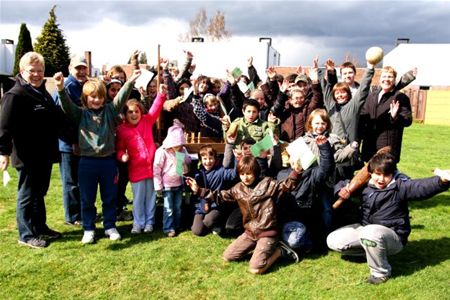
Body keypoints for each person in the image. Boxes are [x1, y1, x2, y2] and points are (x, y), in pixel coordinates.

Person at [326, 152, 450, 284]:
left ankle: (381, 273)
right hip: (368, 230)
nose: (381, 179)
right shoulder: (365, 184)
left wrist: (441, 181)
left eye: (386, 175)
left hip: (393, 237)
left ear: (393, 173)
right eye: (377, 174)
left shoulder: (400, 186)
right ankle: (371, 253)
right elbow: (345, 183)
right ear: (370, 173)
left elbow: (420, 187)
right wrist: (341, 189)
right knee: (333, 240)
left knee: (370, 233)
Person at [53, 68, 141, 244]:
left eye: (100, 96)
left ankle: (110, 226)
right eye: (93, 97)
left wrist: (130, 82)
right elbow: (67, 106)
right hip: (87, 163)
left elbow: (120, 99)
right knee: (87, 198)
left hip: (108, 162)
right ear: (85, 98)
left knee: (110, 196)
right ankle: (89, 228)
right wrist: (61, 88)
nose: (97, 100)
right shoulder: (80, 114)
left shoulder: (109, 110)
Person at [186, 151, 307, 274]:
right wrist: (199, 190)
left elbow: (287, 185)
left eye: (248, 173)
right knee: (227, 256)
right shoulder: (238, 188)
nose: (245, 177)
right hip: (250, 233)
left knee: (255, 269)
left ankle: (280, 251)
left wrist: (296, 172)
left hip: (267, 232)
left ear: (255, 172)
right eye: (242, 174)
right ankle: (259, 248)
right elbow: (219, 196)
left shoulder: (267, 183)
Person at [0, 52, 64, 248]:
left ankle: (40, 227)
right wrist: (3, 153)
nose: (36, 74)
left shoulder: (42, 92)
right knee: (27, 194)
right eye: (32, 71)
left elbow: (56, 119)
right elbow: (4, 126)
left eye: (40, 70)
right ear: (22, 71)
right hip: (27, 155)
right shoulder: (15, 95)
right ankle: (26, 235)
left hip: (44, 154)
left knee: (39, 193)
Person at [116, 84, 167, 234]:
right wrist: (122, 156)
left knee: (150, 197)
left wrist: (161, 95)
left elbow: (155, 110)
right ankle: (138, 223)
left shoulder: (146, 121)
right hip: (136, 170)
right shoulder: (122, 130)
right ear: (125, 114)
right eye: (130, 112)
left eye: (136, 111)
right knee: (138, 199)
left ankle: (149, 222)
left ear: (140, 112)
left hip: (151, 168)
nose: (134, 114)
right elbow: (118, 148)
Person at [53, 54, 88, 226]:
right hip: (69, 144)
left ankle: (80, 213)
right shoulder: (68, 86)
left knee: (79, 180)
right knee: (71, 181)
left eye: (84, 68)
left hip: (79, 142)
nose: (81, 71)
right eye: (77, 68)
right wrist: (73, 141)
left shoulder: (81, 86)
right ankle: (73, 217)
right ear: (70, 69)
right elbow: (64, 118)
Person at [359, 66, 413, 163]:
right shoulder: (372, 96)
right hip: (369, 146)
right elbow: (363, 116)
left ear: (394, 79)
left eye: (390, 77)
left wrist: (394, 117)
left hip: (387, 147)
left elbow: (407, 120)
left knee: (386, 176)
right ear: (380, 79)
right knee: (369, 175)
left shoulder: (400, 97)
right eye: (384, 76)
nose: (386, 79)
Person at [153, 119, 192, 237]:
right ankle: (168, 227)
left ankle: (178, 224)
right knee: (168, 208)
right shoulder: (162, 151)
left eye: (180, 145)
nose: (179, 147)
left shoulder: (182, 150)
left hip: (178, 183)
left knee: (178, 207)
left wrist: (184, 156)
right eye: (177, 145)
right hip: (167, 185)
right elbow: (156, 169)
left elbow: (187, 161)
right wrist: (158, 185)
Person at [271, 57, 323, 142]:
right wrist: (281, 93)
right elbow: (275, 111)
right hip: (285, 144)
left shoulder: (308, 108)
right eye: (296, 98)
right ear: (290, 99)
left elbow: (317, 97)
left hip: (304, 144)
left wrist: (315, 81)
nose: (299, 100)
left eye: (301, 97)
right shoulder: (285, 108)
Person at [190, 145, 238, 236]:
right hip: (202, 206)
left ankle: (217, 223)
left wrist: (237, 159)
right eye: (204, 159)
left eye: (210, 158)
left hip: (216, 205)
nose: (208, 162)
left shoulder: (221, 171)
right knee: (197, 231)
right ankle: (207, 224)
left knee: (209, 221)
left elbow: (234, 174)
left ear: (215, 159)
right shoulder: (198, 173)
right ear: (200, 160)